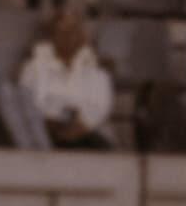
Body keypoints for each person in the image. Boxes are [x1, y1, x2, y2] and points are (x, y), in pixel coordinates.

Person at [17, 9, 116, 150]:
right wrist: (57, 121)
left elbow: (102, 105)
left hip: (88, 130)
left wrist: (82, 125)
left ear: (82, 35)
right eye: (62, 31)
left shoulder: (95, 68)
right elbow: (30, 105)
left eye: (73, 30)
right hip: (50, 131)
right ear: (52, 36)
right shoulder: (33, 67)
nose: (69, 36)